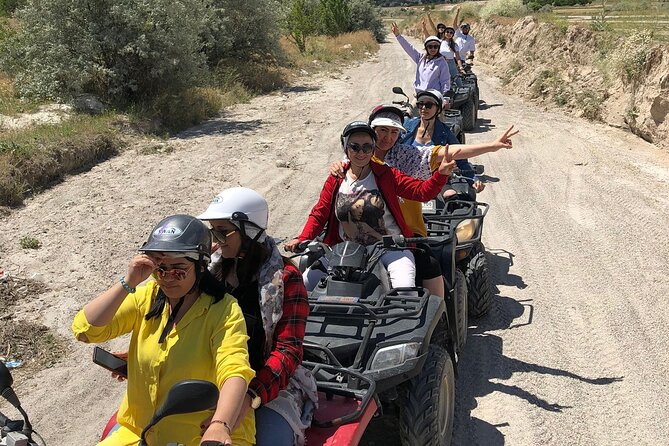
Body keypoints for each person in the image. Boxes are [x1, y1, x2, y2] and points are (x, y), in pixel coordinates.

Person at [72, 215, 255, 446]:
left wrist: (220, 425)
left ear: (200, 265)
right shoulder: (146, 297)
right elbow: (86, 330)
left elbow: (235, 370)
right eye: (160, 269)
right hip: (141, 432)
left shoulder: (224, 310)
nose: (167, 278)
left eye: (179, 270)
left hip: (202, 436)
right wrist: (129, 281)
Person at [198, 187, 318, 446]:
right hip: (210, 375)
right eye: (212, 231)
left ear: (249, 230)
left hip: (266, 384)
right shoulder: (209, 273)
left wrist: (250, 395)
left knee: (270, 439)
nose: (215, 241)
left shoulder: (286, 279)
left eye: (222, 231)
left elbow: (288, 350)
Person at [284, 121, 458, 292]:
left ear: (373, 148)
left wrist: (441, 174)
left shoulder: (386, 174)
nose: (361, 153)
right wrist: (302, 238)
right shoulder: (336, 179)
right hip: (343, 250)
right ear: (346, 148)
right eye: (355, 147)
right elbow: (319, 213)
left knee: (405, 291)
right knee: (301, 286)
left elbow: (421, 192)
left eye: (367, 147)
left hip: (390, 249)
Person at [391, 21, 451, 103]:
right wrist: (398, 35)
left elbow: (445, 81)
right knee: (408, 113)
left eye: (435, 46)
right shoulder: (420, 58)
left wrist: (446, 98)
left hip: (434, 98)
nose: (433, 49)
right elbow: (409, 48)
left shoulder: (442, 62)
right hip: (420, 96)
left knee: (435, 115)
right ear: (426, 48)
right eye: (430, 46)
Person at [423, 14, 464, 86]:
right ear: (444, 33)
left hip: (451, 64)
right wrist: (424, 27)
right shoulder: (439, 42)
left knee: (459, 83)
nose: (449, 34)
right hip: (439, 63)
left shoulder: (454, 45)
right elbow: (428, 36)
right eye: (447, 32)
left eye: (451, 32)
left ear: (453, 35)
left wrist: (461, 67)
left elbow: (458, 58)